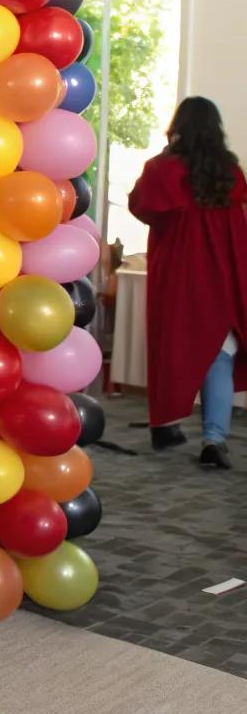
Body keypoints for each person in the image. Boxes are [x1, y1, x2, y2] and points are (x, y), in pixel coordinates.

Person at [129, 96, 247, 469]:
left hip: (179, 276)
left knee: (172, 348)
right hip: (224, 275)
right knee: (220, 357)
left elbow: (141, 207)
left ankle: (166, 423)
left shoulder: (161, 170)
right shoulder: (230, 173)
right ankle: (214, 439)